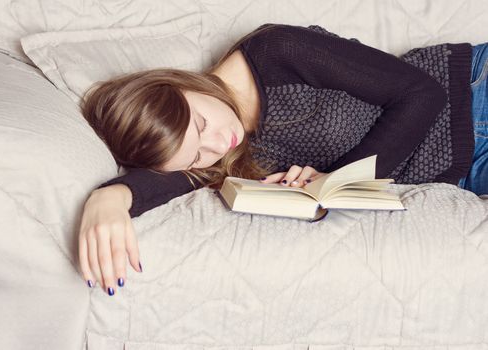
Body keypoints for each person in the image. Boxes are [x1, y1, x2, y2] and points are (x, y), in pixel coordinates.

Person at [77, 23, 487, 296]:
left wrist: (336, 181)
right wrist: (109, 199)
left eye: (202, 124)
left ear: (180, 84)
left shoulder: (276, 50)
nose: (220, 143)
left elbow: (423, 93)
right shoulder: (223, 157)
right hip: (460, 171)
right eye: (197, 156)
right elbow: (165, 184)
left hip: (469, 96)